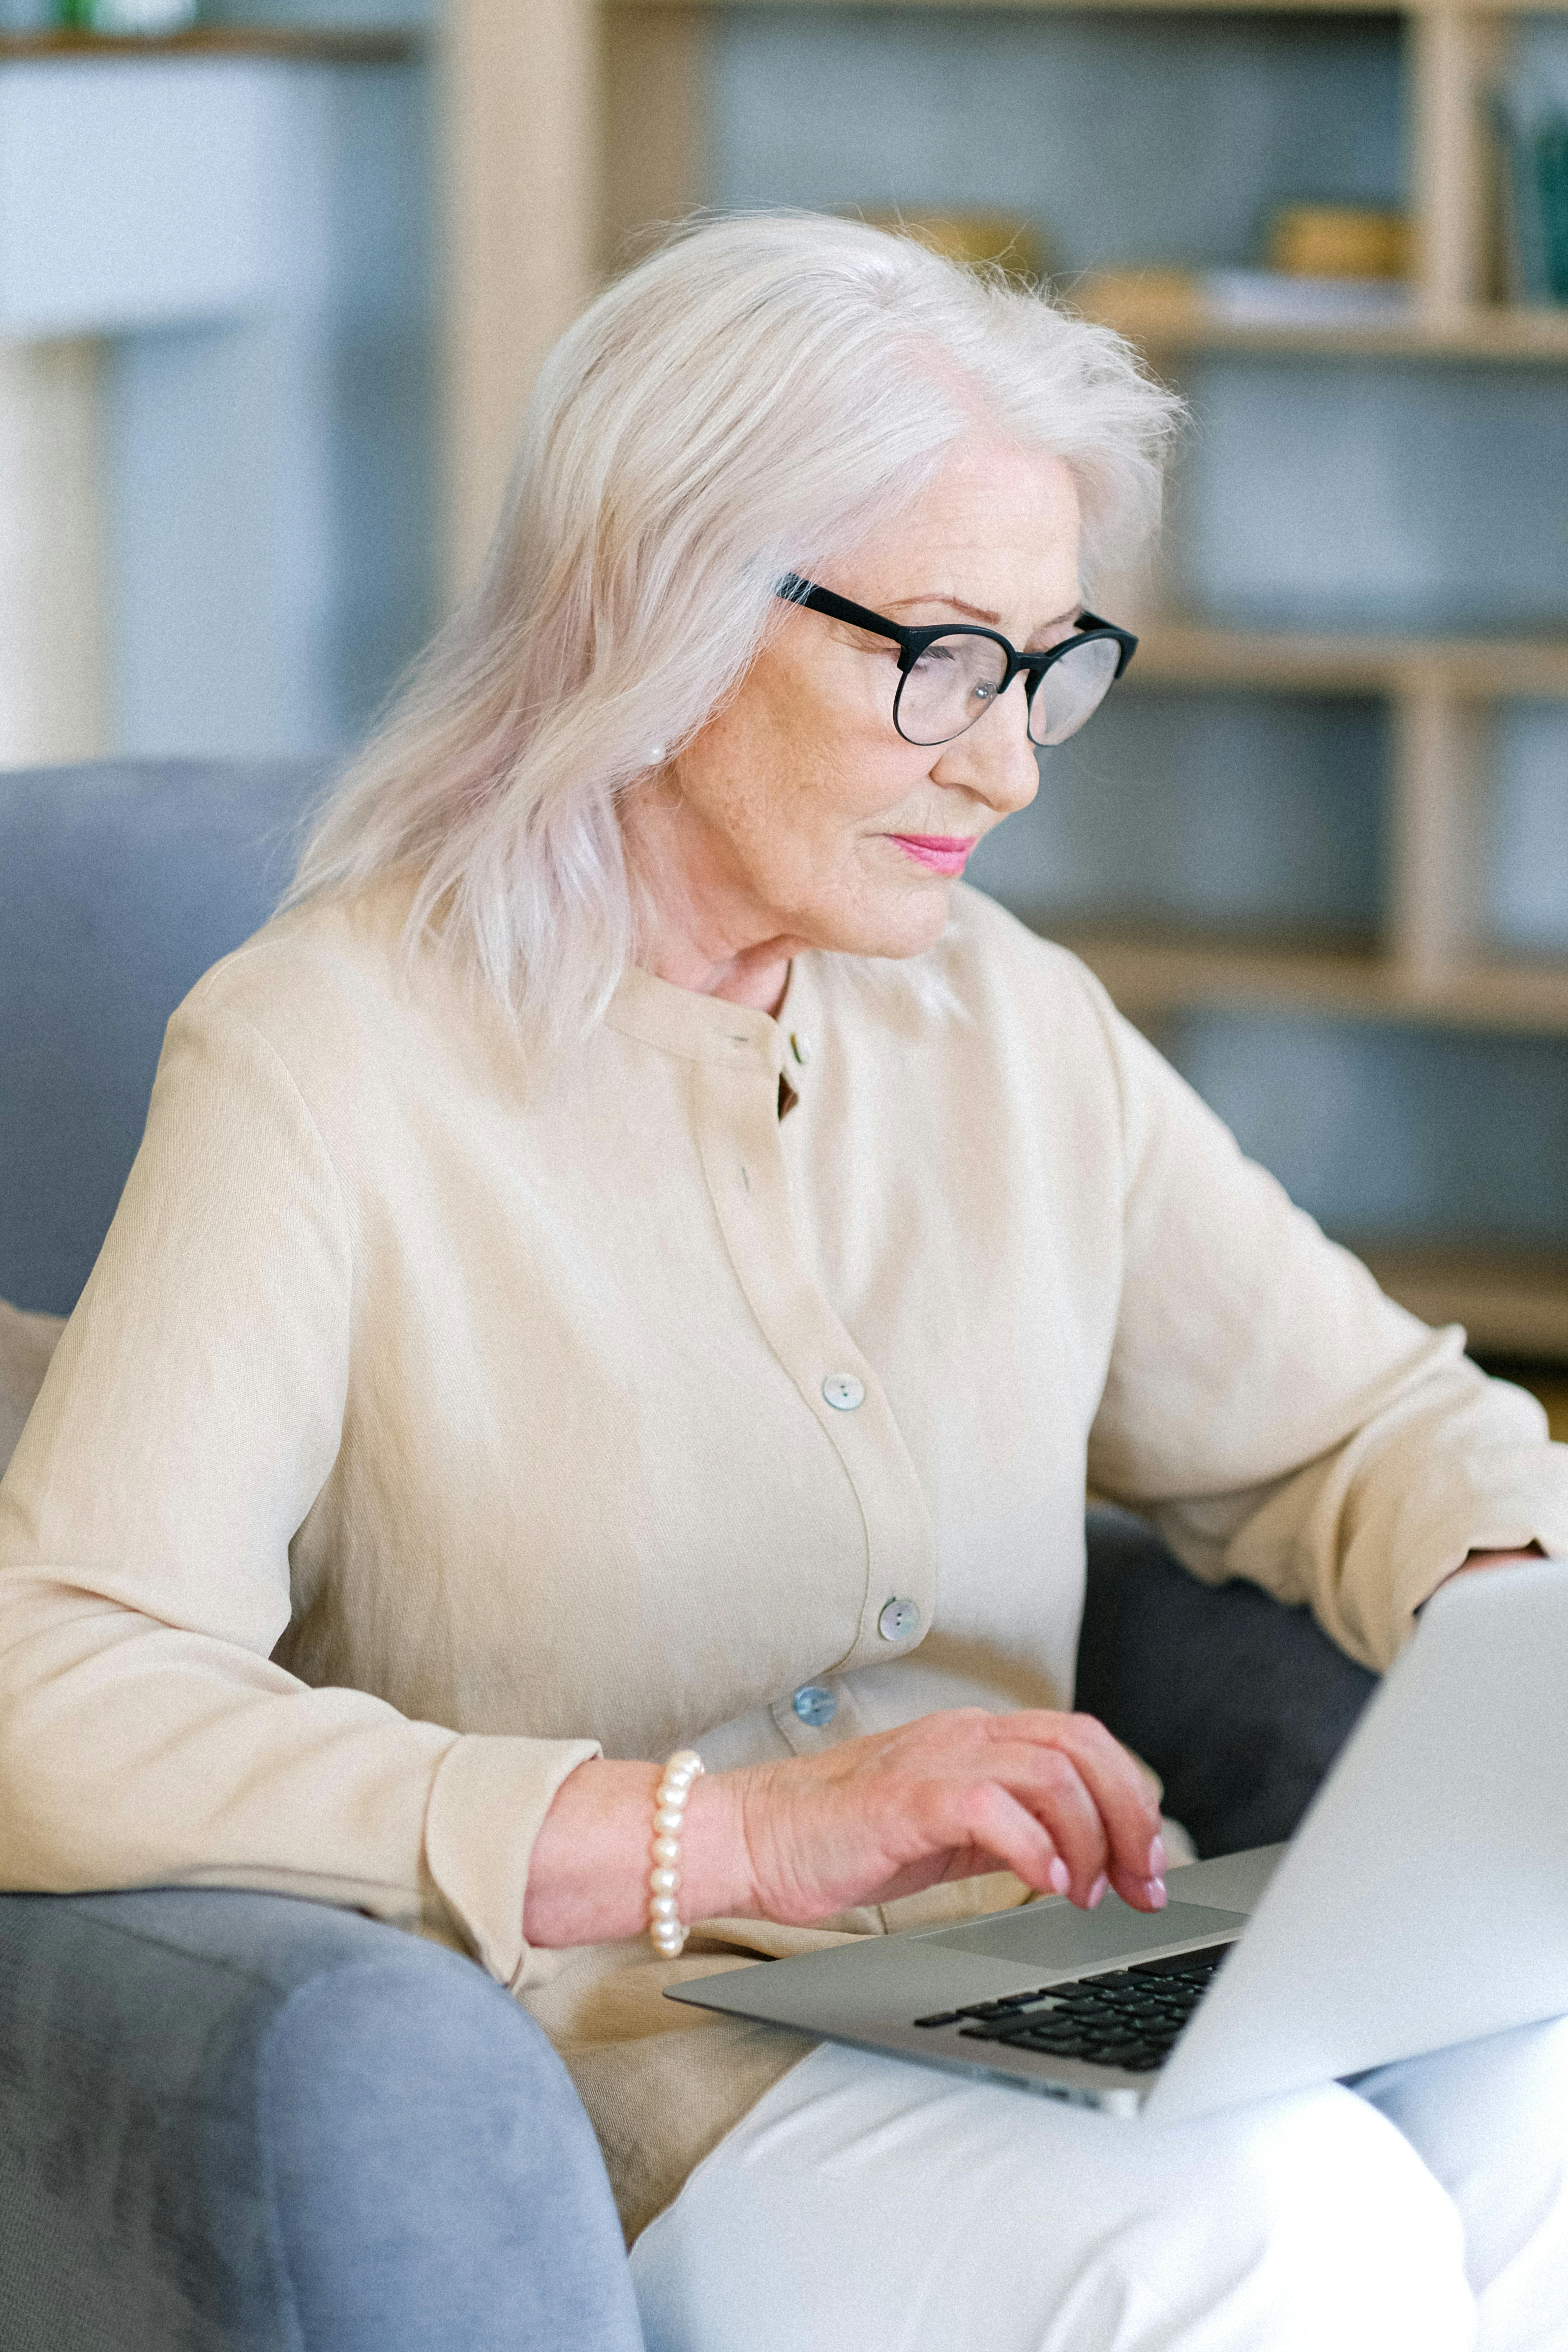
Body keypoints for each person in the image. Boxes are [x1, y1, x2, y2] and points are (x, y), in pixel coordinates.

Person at [2, 213, 1566, 2352]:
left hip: (1054, 1988)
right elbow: (56, 1698)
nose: (1007, 765)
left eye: (1046, 667)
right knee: (1286, 2234)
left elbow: (1360, 1423)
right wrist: (721, 1835)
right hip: (665, 2078)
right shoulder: (325, 1061)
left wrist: (1511, 1596)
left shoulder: (1007, 1022)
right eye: (935, 659)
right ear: (659, 615)